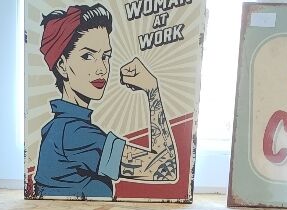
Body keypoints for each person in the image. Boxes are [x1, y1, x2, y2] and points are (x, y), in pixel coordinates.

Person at [33, 4, 178, 199]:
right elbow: (166, 168)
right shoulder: (75, 135)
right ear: (62, 65)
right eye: (87, 56)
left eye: (106, 56)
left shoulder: (58, 127)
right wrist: (152, 90)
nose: (102, 68)